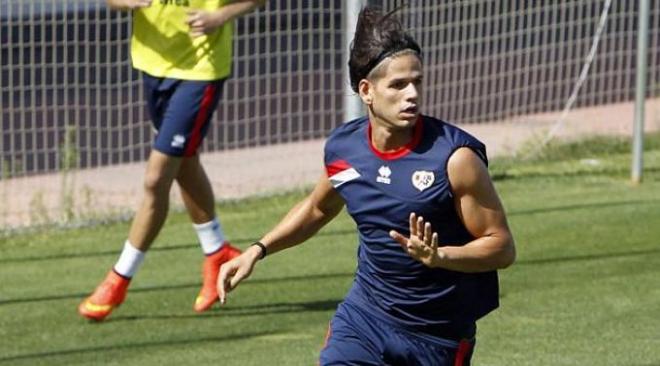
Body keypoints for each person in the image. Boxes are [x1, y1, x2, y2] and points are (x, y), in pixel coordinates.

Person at [217, 6, 516, 365]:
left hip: (438, 334)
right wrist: (257, 250)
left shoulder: (454, 159)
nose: (412, 95)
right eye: (398, 84)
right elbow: (318, 208)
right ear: (366, 91)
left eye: (417, 81)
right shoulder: (346, 152)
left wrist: (440, 257)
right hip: (365, 319)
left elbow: (501, 248)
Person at [78, 0, 267, 321]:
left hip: (199, 70)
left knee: (157, 177)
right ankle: (217, 250)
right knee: (183, 160)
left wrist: (219, 16)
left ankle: (118, 279)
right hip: (152, 65)